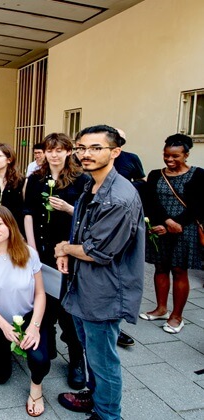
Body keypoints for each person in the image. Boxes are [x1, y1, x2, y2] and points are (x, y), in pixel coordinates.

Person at [55, 125, 144, 420]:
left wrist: (65, 249)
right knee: (92, 354)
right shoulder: (91, 185)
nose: (86, 154)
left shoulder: (119, 197)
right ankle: (95, 397)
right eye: (81, 148)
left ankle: (108, 415)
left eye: (96, 148)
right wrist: (66, 248)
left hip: (104, 292)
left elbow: (96, 252)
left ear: (115, 152)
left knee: (104, 361)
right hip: (84, 286)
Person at [23, 133, 89, 390]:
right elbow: (27, 213)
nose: (54, 154)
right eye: (50, 150)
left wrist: (68, 209)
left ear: (68, 152)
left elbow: (87, 217)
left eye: (59, 150)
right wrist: (31, 249)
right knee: (44, 302)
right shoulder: (36, 178)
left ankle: (76, 360)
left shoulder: (81, 180)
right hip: (40, 250)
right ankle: (45, 350)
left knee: (69, 307)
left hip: (68, 252)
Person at [0, 204, 48, 417]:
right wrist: (3, 326)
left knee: (40, 360)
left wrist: (34, 327)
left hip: (28, 317)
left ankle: (36, 388)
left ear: (10, 225)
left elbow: (40, 294)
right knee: (1, 377)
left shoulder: (29, 254)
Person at [140, 134, 204, 334]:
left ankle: (177, 316)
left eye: (175, 156)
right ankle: (161, 308)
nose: (169, 160)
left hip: (185, 230)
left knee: (178, 270)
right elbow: (150, 202)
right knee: (160, 267)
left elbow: (198, 206)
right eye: (166, 155)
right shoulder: (155, 174)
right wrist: (164, 223)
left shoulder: (198, 174)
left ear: (186, 155)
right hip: (160, 227)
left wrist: (175, 223)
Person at [112, 129, 145, 347]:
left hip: (122, 222)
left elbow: (141, 181)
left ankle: (116, 327)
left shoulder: (131, 159)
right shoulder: (88, 164)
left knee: (117, 276)